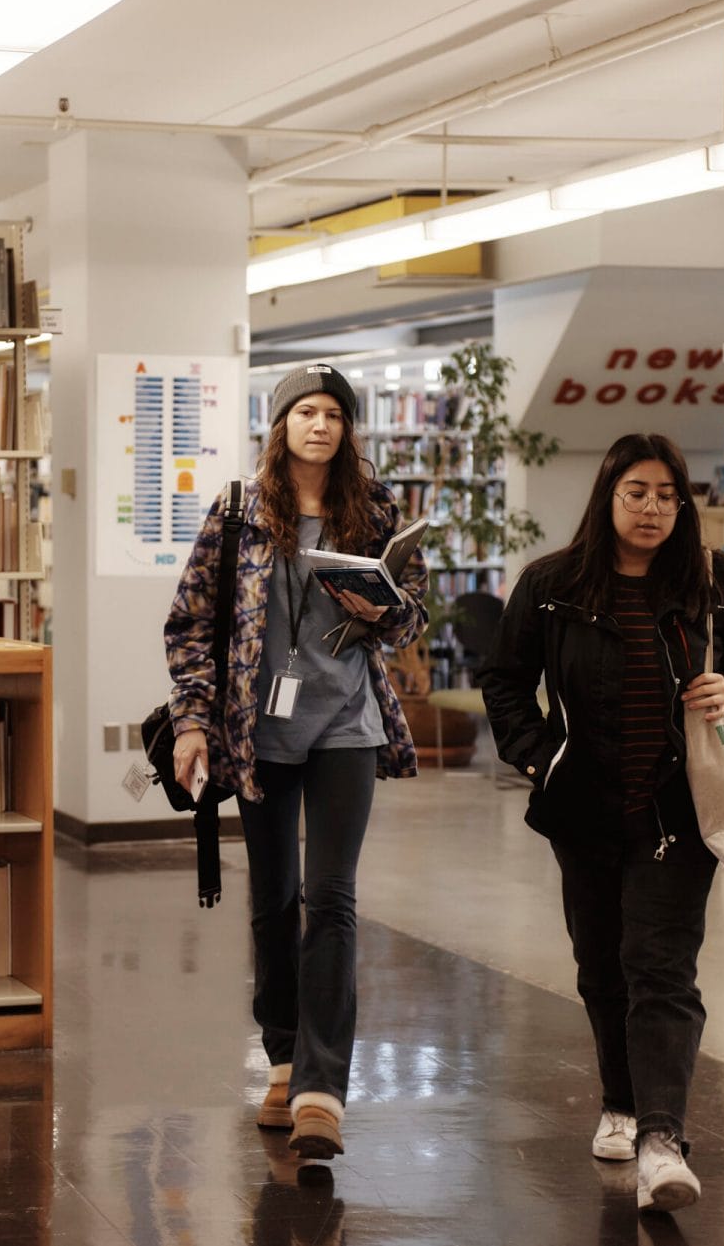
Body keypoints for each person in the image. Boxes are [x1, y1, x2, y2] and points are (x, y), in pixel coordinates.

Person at [478, 432, 724, 1214]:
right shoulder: (551, 584)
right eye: (636, 492)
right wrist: (539, 757)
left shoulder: (714, 580)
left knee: (661, 966)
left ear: (683, 505)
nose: (652, 508)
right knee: (601, 966)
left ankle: (661, 1139)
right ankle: (619, 1100)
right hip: (583, 809)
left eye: (666, 495)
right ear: (608, 495)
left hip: (678, 809)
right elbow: (506, 681)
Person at [164, 364, 427, 1161]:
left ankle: (321, 1086)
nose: (321, 425)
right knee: (274, 900)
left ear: (349, 429)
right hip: (260, 730)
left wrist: (383, 610)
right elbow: (191, 623)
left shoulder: (375, 510)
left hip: (347, 724)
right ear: (280, 425)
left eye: (334, 415)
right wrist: (191, 723)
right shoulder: (240, 511)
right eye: (306, 412)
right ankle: (281, 1052)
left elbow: (410, 618)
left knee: (332, 896)